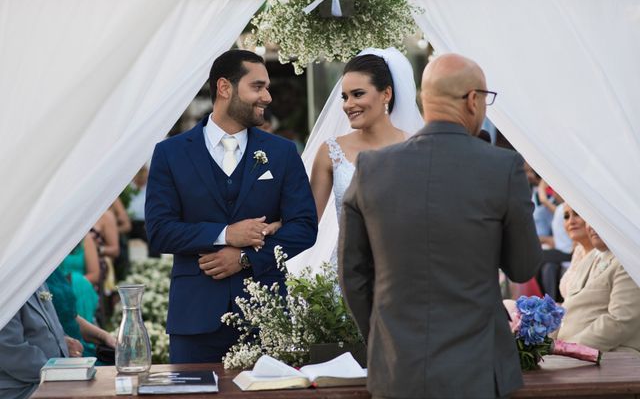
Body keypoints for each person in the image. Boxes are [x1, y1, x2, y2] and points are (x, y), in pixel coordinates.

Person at [339, 53, 542, 399]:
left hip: (397, 366)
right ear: (472, 99)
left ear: (424, 100)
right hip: (478, 367)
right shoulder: (502, 167)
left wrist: (382, 337)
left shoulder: (372, 167)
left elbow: (353, 273)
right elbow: (523, 267)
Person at [145, 49, 317, 363]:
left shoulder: (282, 153)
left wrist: (245, 258)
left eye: (267, 88)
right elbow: (159, 232)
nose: (267, 96)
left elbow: (304, 228)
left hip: (266, 319)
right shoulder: (170, 153)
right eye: (258, 87)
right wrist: (226, 234)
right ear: (225, 88)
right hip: (194, 319)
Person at [287, 47, 423, 274]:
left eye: (358, 94)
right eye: (345, 96)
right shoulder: (331, 151)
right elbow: (306, 221)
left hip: (404, 273)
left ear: (386, 94)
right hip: (346, 274)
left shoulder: (416, 148)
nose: (348, 104)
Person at [557, 224, 640, 352]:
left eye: (596, 218)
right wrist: (544, 344)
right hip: (570, 356)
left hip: (609, 359)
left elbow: (620, 322)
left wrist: (566, 349)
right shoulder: (592, 256)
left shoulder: (629, 261)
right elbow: (568, 308)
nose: (591, 226)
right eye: (589, 219)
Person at [0, 284, 69, 399]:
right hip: (20, 388)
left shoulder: (37, 279)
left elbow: (48, 322)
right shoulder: (5, 284)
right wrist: (59, 373)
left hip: (49, 377)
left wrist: (63, 342)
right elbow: (10, 348)